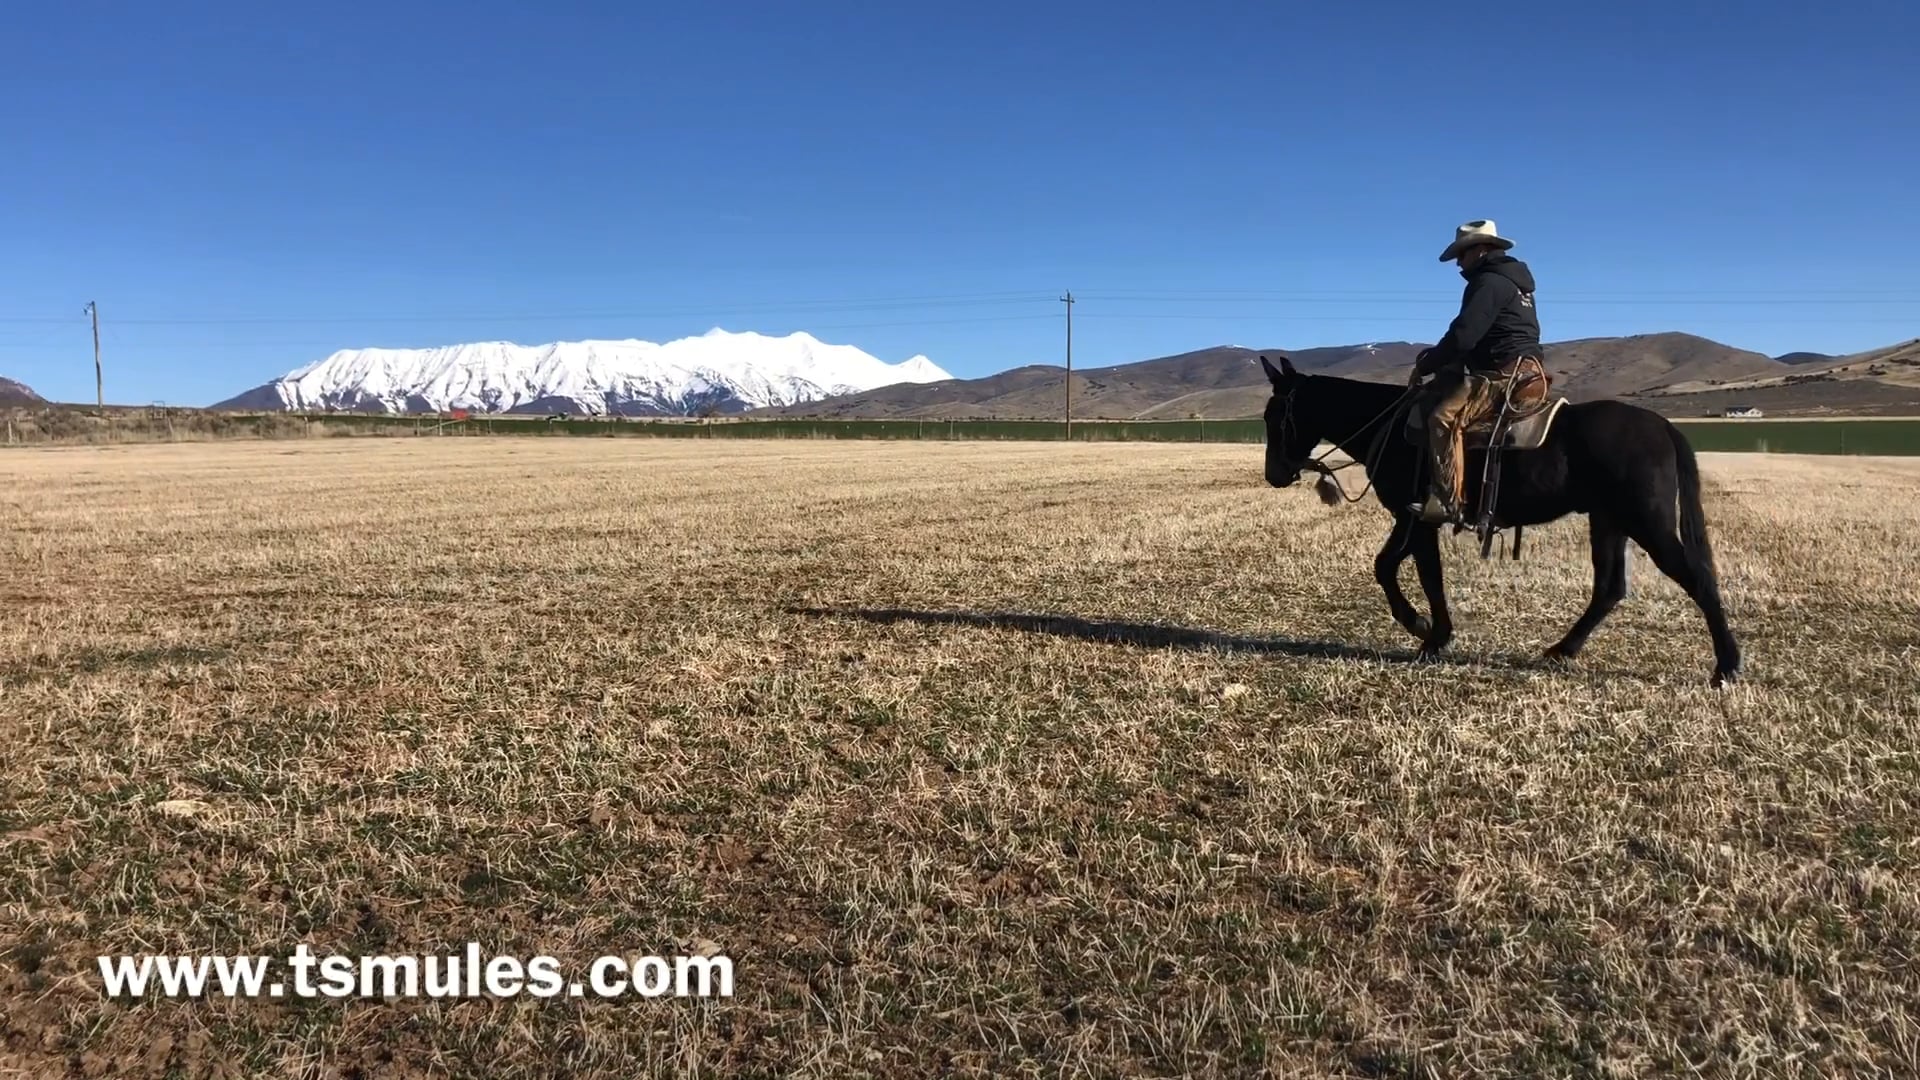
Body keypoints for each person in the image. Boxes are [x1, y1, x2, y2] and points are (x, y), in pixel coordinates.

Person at [1407, 219, 1550, 525]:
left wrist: (1426, 364)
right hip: (1530, 372)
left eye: (1462, 254)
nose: (1459, 263)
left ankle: (1449, 502)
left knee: (1442, 418)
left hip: (1502, 376)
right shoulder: (1516, 283)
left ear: (1481, 250)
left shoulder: (1488, 282)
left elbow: (1464, 336)